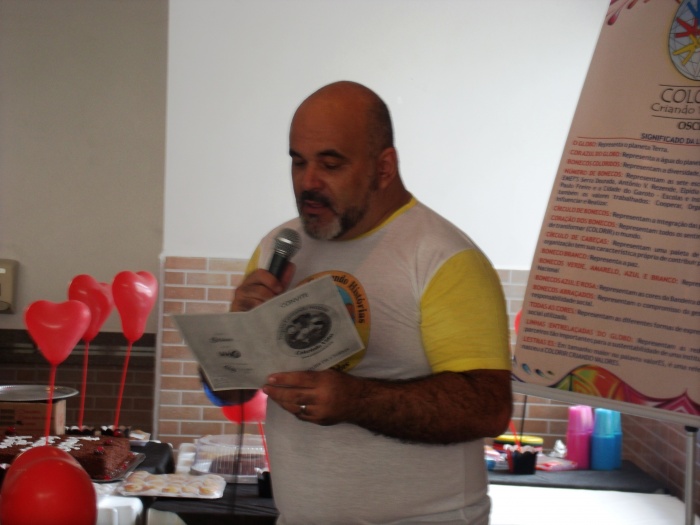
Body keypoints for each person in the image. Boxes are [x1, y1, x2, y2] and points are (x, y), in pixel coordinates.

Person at [220, 81, 512, 524]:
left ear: (384, 167)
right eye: (298, 162)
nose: (308, 182)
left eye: (330, 164)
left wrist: (354, 400)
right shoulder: (275, 249)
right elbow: (228, 391)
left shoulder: (443, 257)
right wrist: (235, 338)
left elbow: (488, 407)